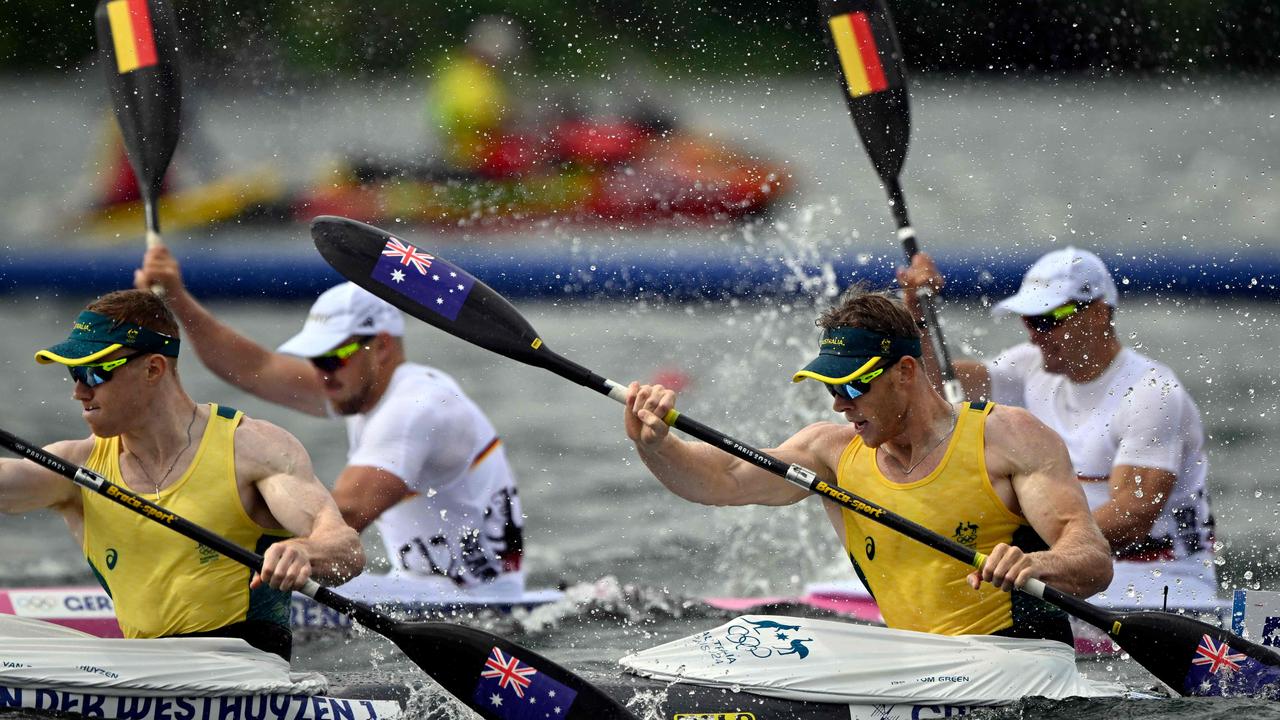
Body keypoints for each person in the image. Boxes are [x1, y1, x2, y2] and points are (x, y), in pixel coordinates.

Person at [624, 288, 1113, 645]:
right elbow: (720, 480)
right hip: (914, 664)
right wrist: (656, 444)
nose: (841, 404)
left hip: (1019, 663)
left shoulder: (1006, 438)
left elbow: (1093, 559)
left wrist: (1036, 564)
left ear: (904, 372)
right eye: (831, 389)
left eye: (854, 387)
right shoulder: (830, 454)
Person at [135, 249, 527, 597]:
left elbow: (344, 516)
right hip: (426, 589)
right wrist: (177, 299)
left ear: (383, 346)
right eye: (315, 359)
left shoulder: (415, 408)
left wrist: (207, 543)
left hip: (475, 601)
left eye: (332, 357)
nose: (322, 374)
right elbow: (255, 367)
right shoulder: (359, 384)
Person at [0, 290, 363, 660]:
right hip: (146, 679)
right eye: (73, 373)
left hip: (247, 675)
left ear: (153, 368)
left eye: (94, 372)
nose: (79, 391)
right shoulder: (75, 467)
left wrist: (305, 551)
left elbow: (347, 550)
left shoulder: (251, 450)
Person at [897, 246, 1218, 612]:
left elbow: (1132, 517)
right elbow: (931, 394)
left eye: (1049, 319)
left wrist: (1025, 549)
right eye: (1029, 320)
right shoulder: (1029, 368)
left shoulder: (1152, 393)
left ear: (1099, 313)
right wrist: (917, 316)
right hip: (1069, 566)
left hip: (1162, 581)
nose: (1035, 335)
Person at [426, 15, 528, 175]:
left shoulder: (482, 74)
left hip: (479, 156)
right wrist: (505, 114)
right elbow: (466, 111)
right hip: (467, 160)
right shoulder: (463, 73)